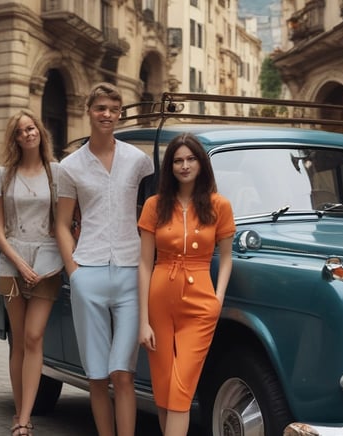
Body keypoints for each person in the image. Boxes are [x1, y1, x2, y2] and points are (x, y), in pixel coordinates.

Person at [54, 82, 154, 436]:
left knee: (123, 374)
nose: (107, 115)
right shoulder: (70, 166)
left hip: (130, 275)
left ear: (120, 114)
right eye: (100, 108)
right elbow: (61, 224)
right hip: (89, 274)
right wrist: (75, 273)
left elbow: (150, 213)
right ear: (89, 111)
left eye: (113, 109)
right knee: (96, 376)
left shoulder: (138, 161)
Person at [137, 134, 235, 435]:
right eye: (178, 160)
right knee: (164, 388)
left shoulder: (219, 205)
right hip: (159, 300)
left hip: (201, 303)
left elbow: (227, 258)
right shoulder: (154, 205)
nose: (185, 166)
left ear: (201, 163)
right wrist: (143, 322)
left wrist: (218, 298)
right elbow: (144, 263)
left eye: (191, 159)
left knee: (181, 391)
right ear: (170, 167)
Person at [0, 109, 63, 436]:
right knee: (18, 340)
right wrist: (19, 264)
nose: (27, 134)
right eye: (20, 132)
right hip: (12, 260)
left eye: (31, 128)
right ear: (15, 139)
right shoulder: (3, 174)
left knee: (34, 336)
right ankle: (21, 416)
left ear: (40, 131)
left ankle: (25, 415)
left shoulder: (56, 172)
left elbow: (66, 219)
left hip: (47, 261)